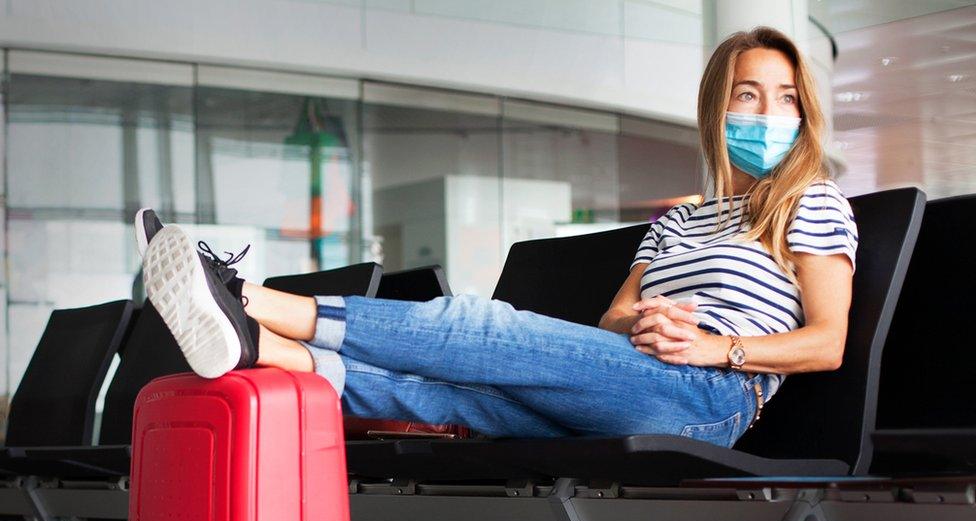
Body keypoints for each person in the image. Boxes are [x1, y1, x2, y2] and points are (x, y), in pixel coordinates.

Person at [135, 27, 857, 447]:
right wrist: (649, 319)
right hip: (636, 374)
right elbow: (612, 318)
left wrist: (714, 346)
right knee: (451, 395)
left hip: (711, 397)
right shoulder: (676, 220)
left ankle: (248, 299)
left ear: (805, 111)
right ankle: (258, 347)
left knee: (477, 327)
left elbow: (827, 342)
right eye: (748, 95)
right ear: (717, 109)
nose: (769, 112)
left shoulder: (812, 202)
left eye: (785, 97)